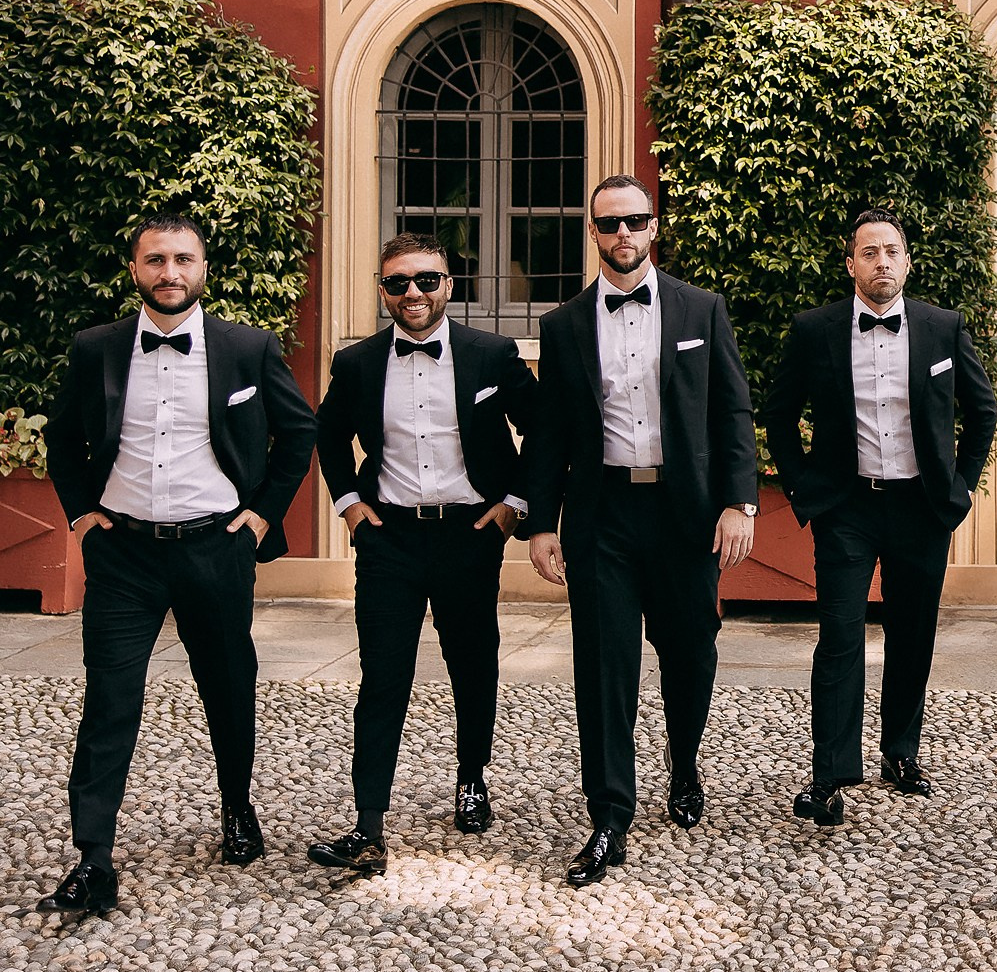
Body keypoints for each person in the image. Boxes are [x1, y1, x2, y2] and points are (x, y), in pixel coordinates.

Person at [37, 213, 318, 916]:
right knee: (109, 701)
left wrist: (259, 518)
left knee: (228, 685)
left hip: (215, 549)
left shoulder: (247, 347)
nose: (170, 273)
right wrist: (83, 518)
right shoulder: (94, 348)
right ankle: (93, 859)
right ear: (134, 269)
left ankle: (236, 806)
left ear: (203, 269)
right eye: (156, 260)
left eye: (183, 260)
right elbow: (64, 441)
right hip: (123, 554)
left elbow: (299, 430)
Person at [521, 175, 761, 887]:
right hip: (604, 516)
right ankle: (608, 817)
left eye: (635, 221)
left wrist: (738, 504)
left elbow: (733, 414)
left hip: (685, 515)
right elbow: (550, 434)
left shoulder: (700, 309)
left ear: (653, 228)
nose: (623, 235)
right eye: (608, 224)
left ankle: (683, 764)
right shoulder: (564, 325)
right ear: (592, 233)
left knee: (691, 651)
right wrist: (541, 523)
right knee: (604, 666)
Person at [306, 233, 537, 877]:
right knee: (383, 675)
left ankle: (471, 778)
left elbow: (545, 427)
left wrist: (515, 503)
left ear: (449, 285)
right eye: (399, 282)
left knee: (472, 661)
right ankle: (368, 825)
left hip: (470, 533)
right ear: (383, 290)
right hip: (390, 540)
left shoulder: (491, 354)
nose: (414, 293)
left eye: (427, 280)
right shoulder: (356, 364)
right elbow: (327, 436)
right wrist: (350, 505)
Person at [761, 209, 997, 826]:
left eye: (892, 251)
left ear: (908, 260)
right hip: (848, 507)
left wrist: (960, 489)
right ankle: (830, 772)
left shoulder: (941, 327)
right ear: (851, 264)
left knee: (912, 633)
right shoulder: (815, 330)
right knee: (839, 637)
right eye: (869, 253)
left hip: (921, 507)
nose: (882, 262)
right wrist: (807, 488)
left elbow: (981, 411)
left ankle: (901, 751)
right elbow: (779, 414)